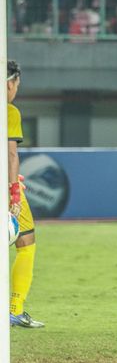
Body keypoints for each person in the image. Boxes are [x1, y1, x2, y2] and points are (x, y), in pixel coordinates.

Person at [7, 61, 43, 328]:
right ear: (11, 82)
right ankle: (14, 309)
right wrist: (13, 191)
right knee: (26, 243)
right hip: (4, 189)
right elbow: (10, 154)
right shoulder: (8, 112)